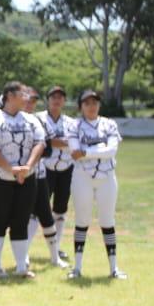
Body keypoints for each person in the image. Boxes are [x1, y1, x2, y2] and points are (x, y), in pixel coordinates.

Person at [0, 81, 46, 278]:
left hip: (26, 177)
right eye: (23, 94)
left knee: (21, 220)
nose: (28, 98)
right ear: (10, 96)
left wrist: (27, 168)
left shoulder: (31, 120)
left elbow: (40, 143)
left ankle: (21, 267)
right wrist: (10, 168)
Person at [68, 90, 125, 280]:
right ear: (80, 107)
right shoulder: (74, 126)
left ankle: (114, 268)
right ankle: (76, 268)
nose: (91, 106)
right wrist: (95, 150)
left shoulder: (109, 124)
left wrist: (86, 152)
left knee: (107, 221)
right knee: (82, 221)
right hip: (82, 177)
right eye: (87, 103)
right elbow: (74, 150)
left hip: (106, 177)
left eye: (95, 102)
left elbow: (111, 150)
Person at [22, 88, 64, 267]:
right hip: (18, 175)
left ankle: (55, 258)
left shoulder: (38, 121)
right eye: (27, 100)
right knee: (22, 217)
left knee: (45, 215)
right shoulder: (10, 120)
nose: (30, 104)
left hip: (38, 175)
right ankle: (22, 256)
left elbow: (47, 149)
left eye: (33, 101)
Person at [35, 85, 76, 267]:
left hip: (66, 169)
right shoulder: (39, 119)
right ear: (48, 100)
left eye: (60, 97)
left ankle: (56, 246)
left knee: (60, 209)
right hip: (46, 168)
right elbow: (46, 141)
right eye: (53, 97)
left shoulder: (71, 123)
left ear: (64, 101)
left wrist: (60, 142)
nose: (57, 100)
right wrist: (62, 142)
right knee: (38, 209)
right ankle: (27, 248)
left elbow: (74, 142)